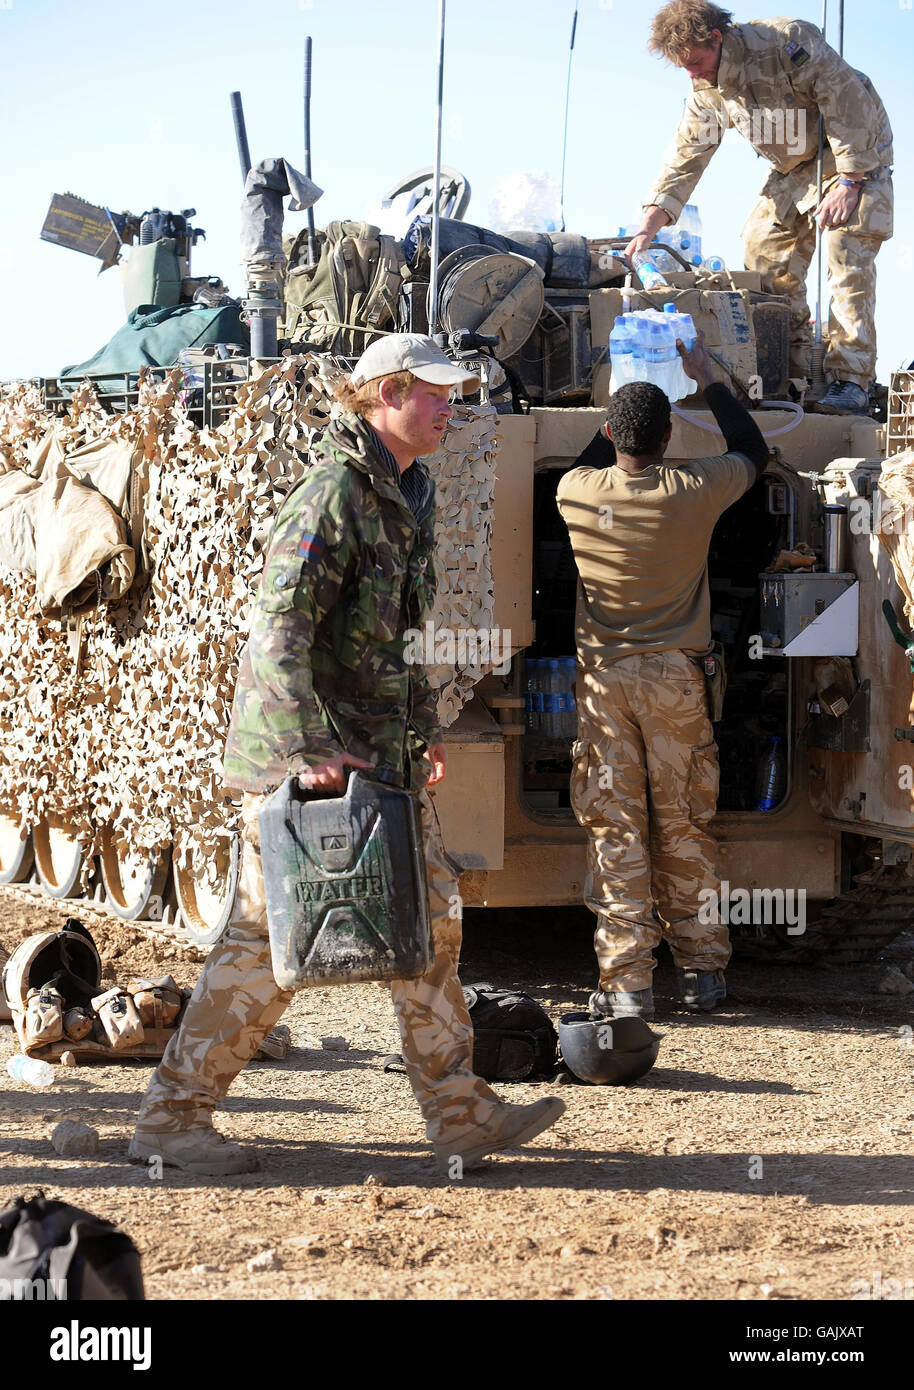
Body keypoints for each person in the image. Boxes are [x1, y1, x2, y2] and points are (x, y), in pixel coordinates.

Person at [129, 332, 564, 1177]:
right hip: (316, 765)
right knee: (265, 948)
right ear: (386, 394)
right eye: (435, 392)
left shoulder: (411, 490)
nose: (450, 406)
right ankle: (171, 1121)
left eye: (452, 393)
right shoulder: (335, 492)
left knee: (432, 927)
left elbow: (391, 638)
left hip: (378, 759)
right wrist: (308, 748)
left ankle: (459, 1112)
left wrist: (421, 733)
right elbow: (278, 629)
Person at [556, 335, 768, 1020]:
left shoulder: (574, 489)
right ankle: (704, 974)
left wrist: (614, 404)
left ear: (615, 432)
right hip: (677, 680)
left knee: (617, 830)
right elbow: (753, 453)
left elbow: (593, 454)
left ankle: (628, 985)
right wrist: (707, 378)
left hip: (604, 681)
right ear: (671, 436)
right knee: (684, 825)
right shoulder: (694, 488)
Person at [625, 2, 893, 416]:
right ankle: (792, 373)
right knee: (761, 252)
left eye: (695, 62)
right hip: (795, 168)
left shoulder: (787, 42)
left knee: (846, 249)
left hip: (852, 153)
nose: (692, 74)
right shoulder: (707, 88)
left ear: (716, 38)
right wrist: (650, 223)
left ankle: (850, 381)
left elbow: (846, 102)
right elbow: (686, 154)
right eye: (684, 68)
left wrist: (851, 181)